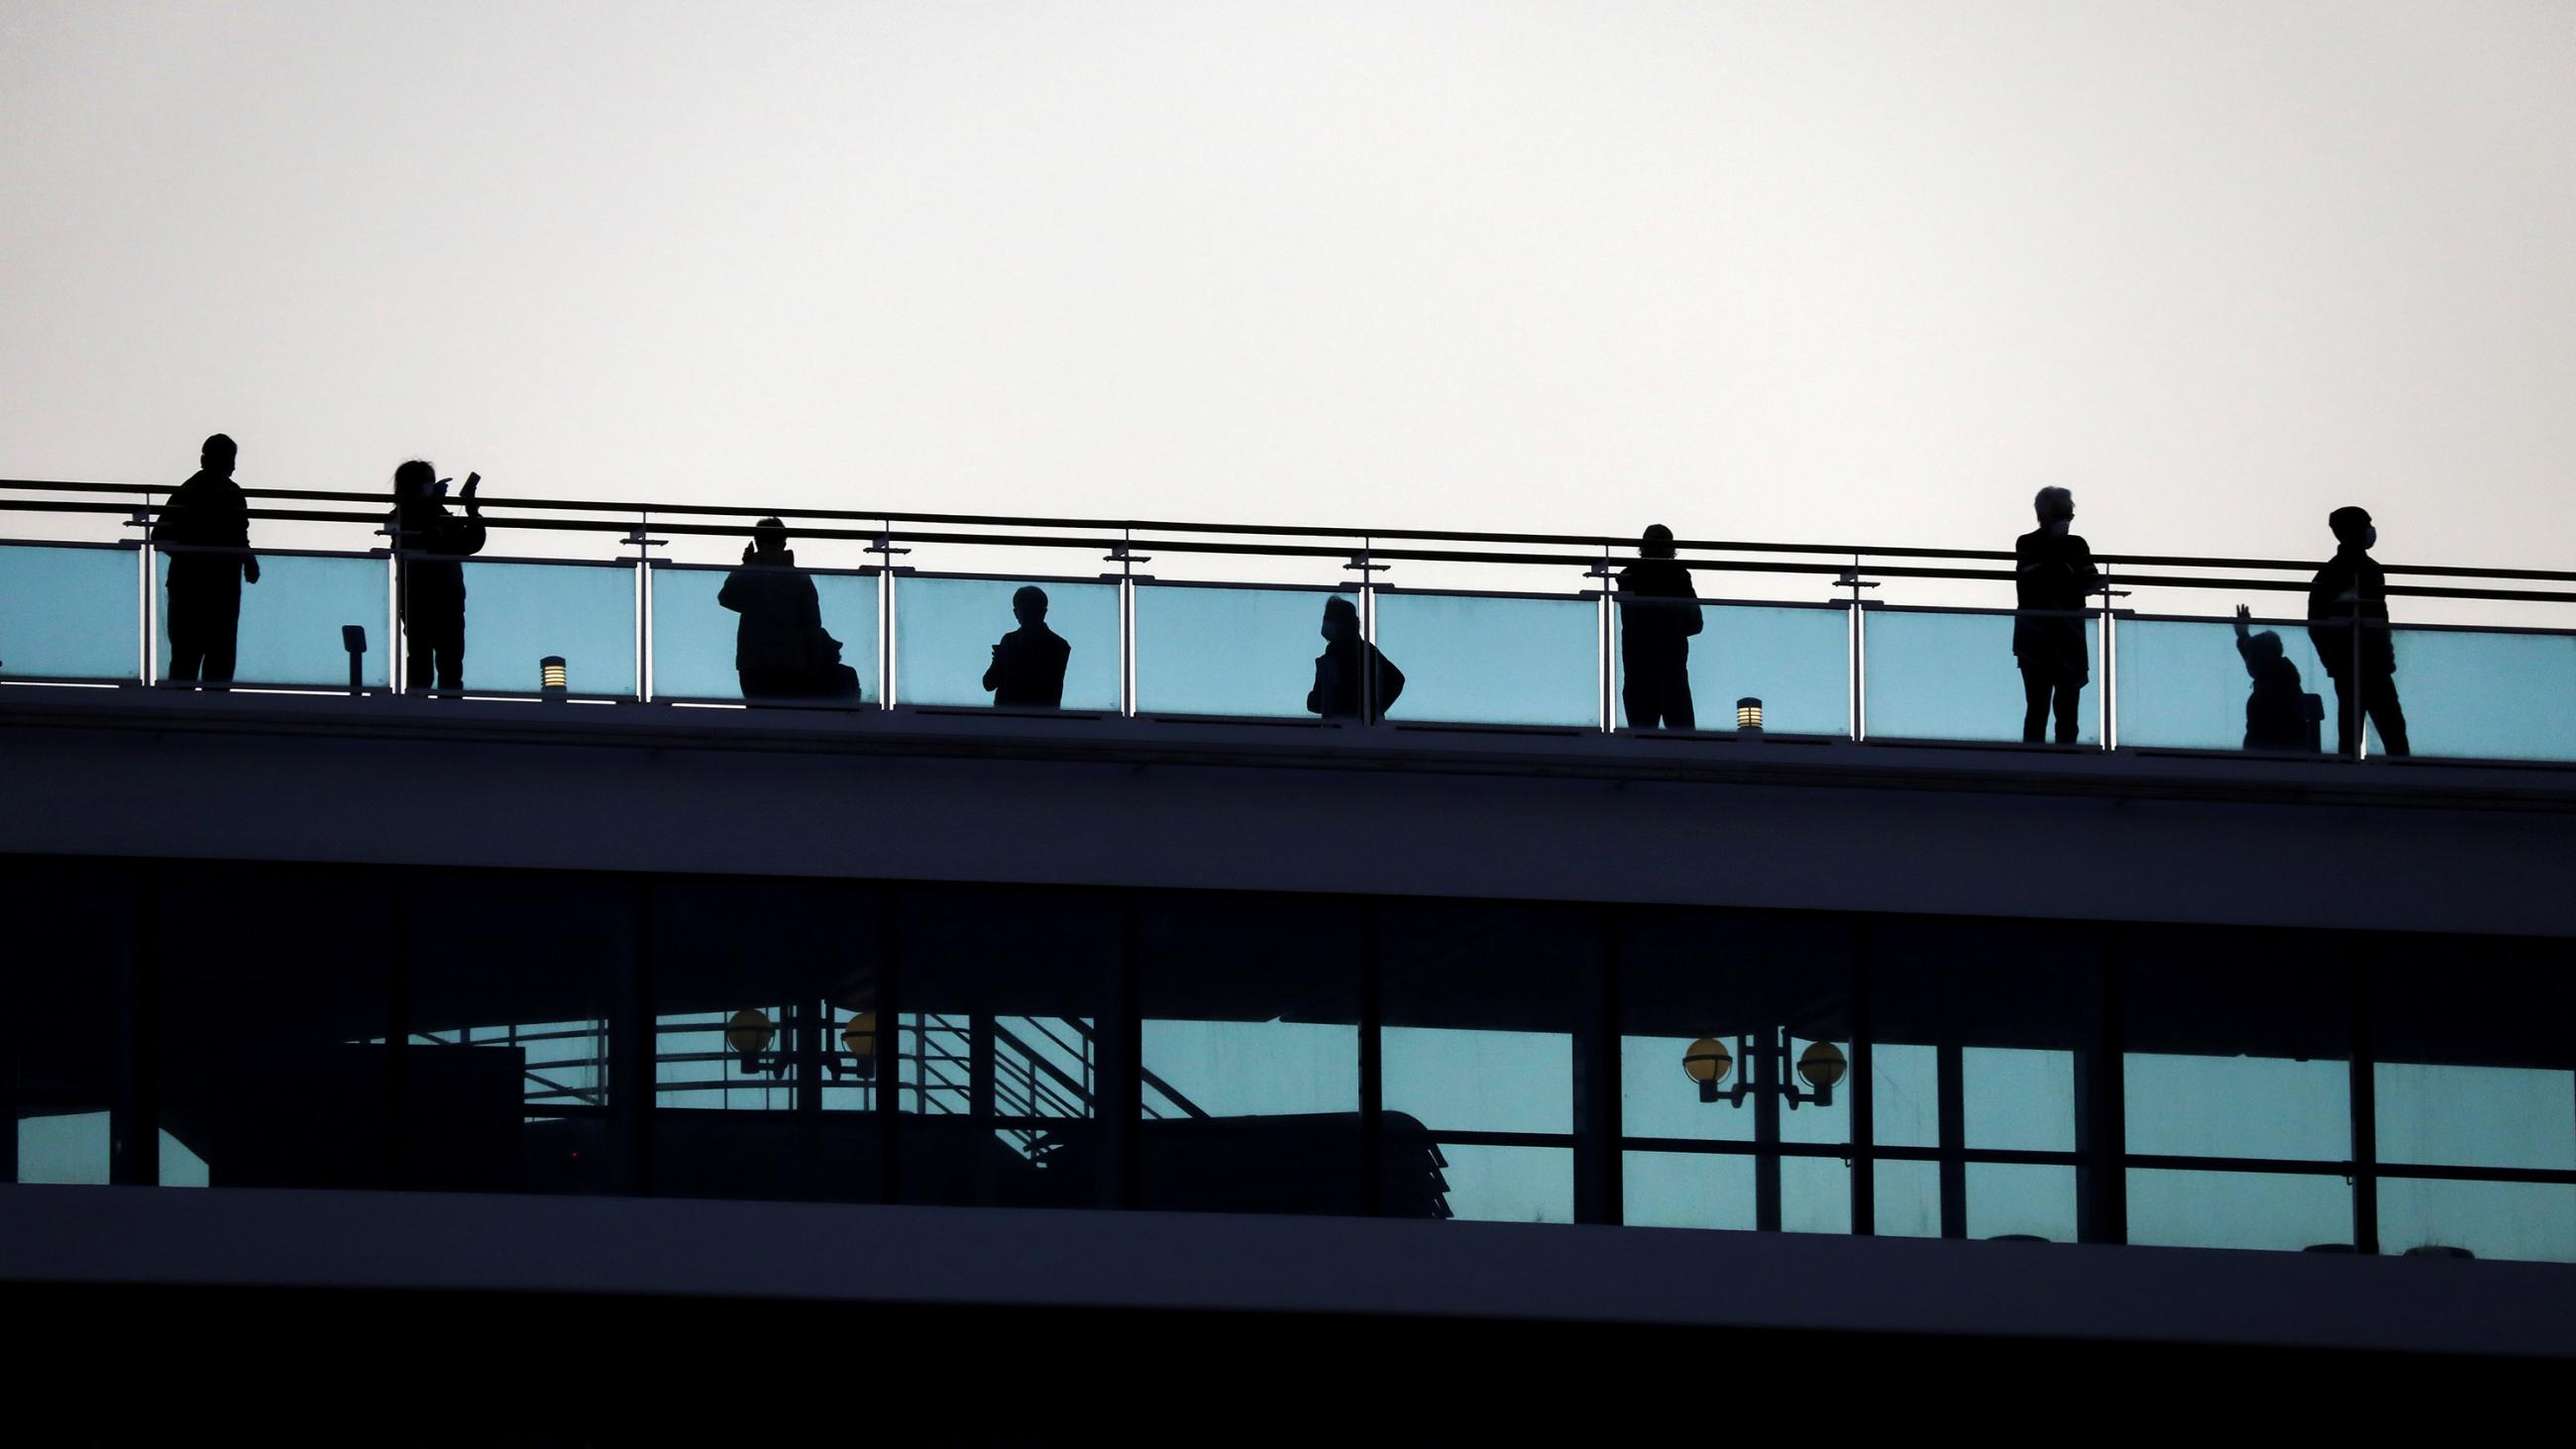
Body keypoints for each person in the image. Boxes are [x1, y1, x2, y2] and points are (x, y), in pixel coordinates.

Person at [154, 433, 260, 685]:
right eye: (231, 459)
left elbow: (161, 535)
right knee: (217, 660)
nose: (234, 465)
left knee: (186, 658)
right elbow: (239, 535)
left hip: (190, 585)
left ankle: (180, 713)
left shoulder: (187, 491)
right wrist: (247, 560)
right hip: (218, 588)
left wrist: (191, 555)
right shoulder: (229, 492)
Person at [717, 518, 860, 702]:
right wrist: (814, 663)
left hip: (753, 662)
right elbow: (812, 625)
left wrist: (746, 565)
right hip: (791, 662)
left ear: (757, 541)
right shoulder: (799, 578)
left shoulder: (751, 574)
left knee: (759, 720)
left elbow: (727, 598)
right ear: (784, 542)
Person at [2306, 505, 2409, 757]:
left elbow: (2378, 621)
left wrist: (2334, 662)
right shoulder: (2345, 573)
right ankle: (2405, 778)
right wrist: (2336, 662)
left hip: (2361, 665)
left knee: (2364, 730)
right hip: (2360, 665)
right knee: (2387, 729)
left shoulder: (2347, 572)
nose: (2371, 530)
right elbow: (2318, 625)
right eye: (2367, 524)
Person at [390, 461, 487, 692]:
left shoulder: (435, 512)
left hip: (448, 598)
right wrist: (433, 504)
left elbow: (469, 543)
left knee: (450, 663)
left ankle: (448, 710)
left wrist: (471, 509)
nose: (431, 485)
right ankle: (419, 711)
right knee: (422, 663)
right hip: (420, 598)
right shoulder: (406, 515)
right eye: (426, 481)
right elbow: (413, 533)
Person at [2012, 486, 2099, 744]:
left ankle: (2062, 758)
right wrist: (2068, 571)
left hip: (2055, 635)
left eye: (2069, 515)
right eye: (2063, 515)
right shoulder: (2028, 542)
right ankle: (2040, 760)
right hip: (2045, 635)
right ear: (2045, 515)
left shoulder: (2076, 544)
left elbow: (2089, 580)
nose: (2067, 521)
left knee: (2066, 709)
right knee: (2039, 706)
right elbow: (2037, 579)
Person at [1616, 524, 1703, 730]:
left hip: (1639, 668)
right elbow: (1695, 623)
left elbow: (1634, 623)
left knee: (1644, 743)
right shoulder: (1678, 576)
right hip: (1670, 669)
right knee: (1683, 741)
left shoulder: (1629, 576)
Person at [2232, 604, 2319, 752]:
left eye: (2251, 658)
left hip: (2269, 763)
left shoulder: (2272, 689)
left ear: (2260, 660)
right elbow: (2254, 655)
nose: (2247, 662)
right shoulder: (2279, 676)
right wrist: (2243, 636)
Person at [1306, 595, 1403, 722]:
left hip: (1353, 732)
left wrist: (1371, 713)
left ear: (1343, 623)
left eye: (1329, 618)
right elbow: (1316, 702)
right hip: (1337, 731)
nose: (1326, 622)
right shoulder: (1329, 658)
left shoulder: (1363, 652)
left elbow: (1396, 679)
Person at [984, 584, 1071, 708]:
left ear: (1016, 613)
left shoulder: (1010, 641)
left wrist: (1001, 659)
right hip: (1041, 720)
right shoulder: (1059, 645)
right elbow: (989, 683)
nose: (1028, 614)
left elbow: (989, 683)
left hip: (1009, 719)